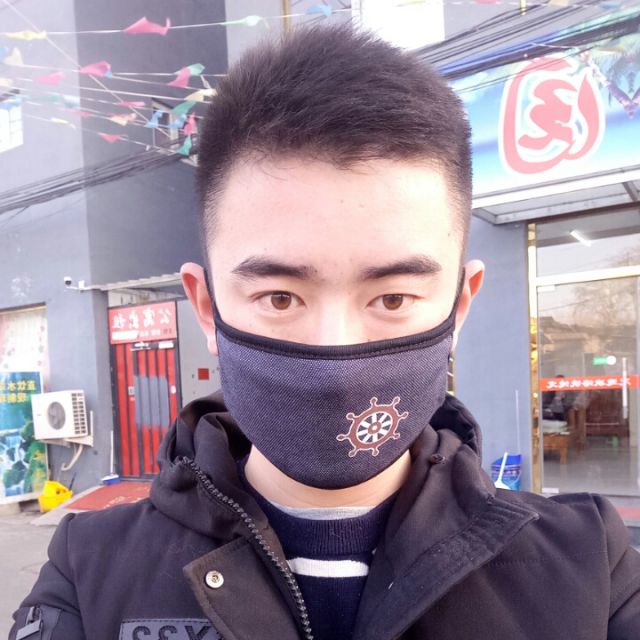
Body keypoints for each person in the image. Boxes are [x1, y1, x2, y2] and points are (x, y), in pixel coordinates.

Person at [11, 25, 640, 640]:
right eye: (280, 297)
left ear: (459, 304)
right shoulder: (88, 575)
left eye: (393, 298)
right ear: (206, 306)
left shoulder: (592, 569)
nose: (335, 354)